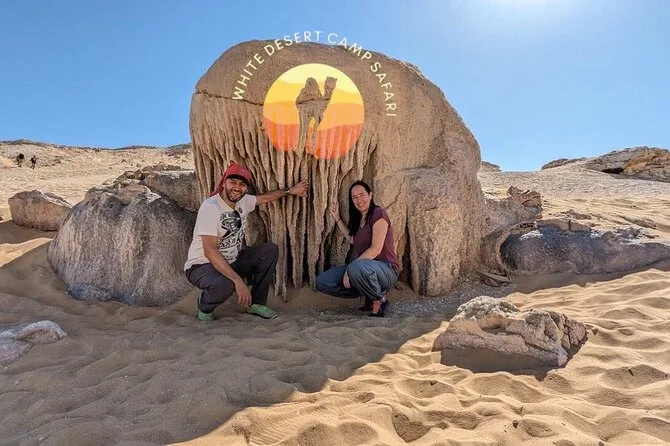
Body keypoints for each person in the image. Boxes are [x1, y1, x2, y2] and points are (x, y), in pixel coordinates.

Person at [184, 161, 308, 321]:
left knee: (269, 250)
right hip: (201, 265)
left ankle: (257, 304)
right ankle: (204, 307)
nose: (237, 187)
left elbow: (265, 198)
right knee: (225, 285)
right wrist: (237, 281)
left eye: (242, 184)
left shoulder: (243, 201)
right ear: (224, 183)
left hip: (232, 261)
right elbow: (210, 251)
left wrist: (291, 191)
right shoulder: (211, 207)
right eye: (233, 182)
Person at [316, 180, 399, 317]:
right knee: (323, 281)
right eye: (354, 197)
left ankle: (380, 300)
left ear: (370, 195)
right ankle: (368, 294)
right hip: (363, 269)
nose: (359, 200)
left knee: (356, 267)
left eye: (362, 195)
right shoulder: (359, 219)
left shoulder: (378, 214)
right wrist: (337, 219)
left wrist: (350, 269)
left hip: (386, 269)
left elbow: (376, 249)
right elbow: (352, 239)